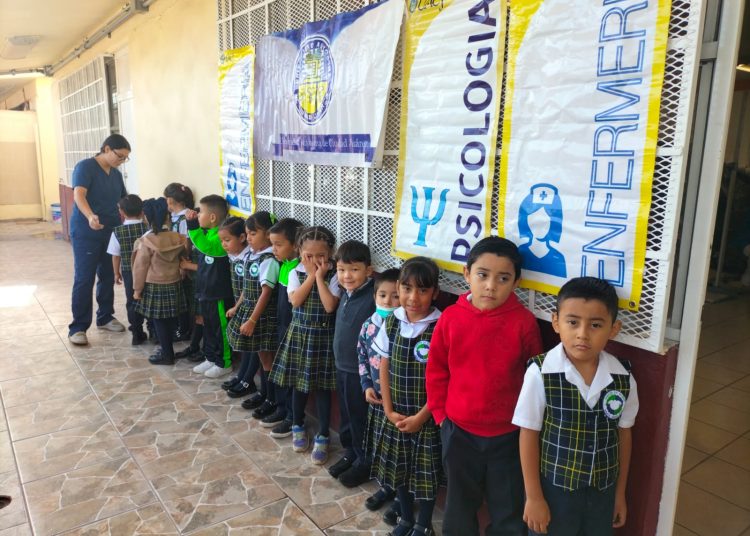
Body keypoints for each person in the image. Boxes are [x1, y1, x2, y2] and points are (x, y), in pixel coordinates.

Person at [426, 236, 544, 535]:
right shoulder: (451, 317)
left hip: (509, 435)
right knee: (459, 505)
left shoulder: (523, 322)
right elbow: (437, 368)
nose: (491, 285)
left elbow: (534, 378)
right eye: (483, 275)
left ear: (516, 282)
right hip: (458, 432)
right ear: (467, 274)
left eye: (503, 278)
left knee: (508, 507)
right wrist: (441, 416)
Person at [512, 277, 639, 535]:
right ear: (556, 322)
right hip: (554, 492)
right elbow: (528, 433)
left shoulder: (623, 377)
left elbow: (623, 434)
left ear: (613, 329)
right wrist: (533, 497)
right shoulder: (540, 372)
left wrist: (619, 494)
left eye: (595, 325)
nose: (582, 333)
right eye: (573, 322)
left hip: (602, 494)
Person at [371, 257, 443, 536]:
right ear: (399, 288)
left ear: (435, 293)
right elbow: (384, 366)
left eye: (423, 290)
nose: (413, 298)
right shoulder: (392, 322)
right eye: (407, 288)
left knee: (426, 474)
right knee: (398, 468)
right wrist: (389, 410)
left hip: (427, 418)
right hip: (397, 415)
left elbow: (445, 379)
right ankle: (405, 517)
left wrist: (422, 416)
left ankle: (423, 524)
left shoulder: (440, 327)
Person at [269, 226, 341, 465]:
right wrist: (311, 276)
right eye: (308, 255)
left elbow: (329, 306)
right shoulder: (294, 272)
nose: (315, 261)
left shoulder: (334, 276)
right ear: (300, 251)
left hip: (323, 337)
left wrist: (319, 277)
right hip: (299, 336)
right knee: (298, 384)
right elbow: (296, 301)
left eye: (321, 255)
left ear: (330, 254)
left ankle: (323, 435)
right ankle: (297, 424)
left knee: (322, 388)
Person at [68, 134, 130, 345]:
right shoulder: (85, 167)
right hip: (87, 231)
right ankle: (78, 327)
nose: (122, 161)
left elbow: (123, 200)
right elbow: (79, 195)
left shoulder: (116, 174)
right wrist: (90, 216)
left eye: (125, 158)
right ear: (107, 149)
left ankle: (105, 317)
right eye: (120, 156)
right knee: (84, 278)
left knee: (107, 275)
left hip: (110, 230)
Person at [328, 240, 376, 487]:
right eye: (341, 270)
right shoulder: (345, 293)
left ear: (369, 270)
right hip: (342, 365)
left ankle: (364, 461)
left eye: (354, 269)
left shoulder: (373, 297)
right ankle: (351, 452)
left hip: (361, 371)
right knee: (346, 413)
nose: (347, 276)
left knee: (359, 417)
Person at [226, 212, 281, 422]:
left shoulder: (269, 260)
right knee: (261, 356)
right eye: (247, 233)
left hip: (262, 316)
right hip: (249, 310)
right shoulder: (252, 255)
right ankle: (264, 393)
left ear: (268, 235)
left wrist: (252, 320)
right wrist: (237, 306)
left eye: (253, 233)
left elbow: (265, 293)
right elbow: (246, 288)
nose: (248, 238)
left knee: (268, 359)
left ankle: (271, 398)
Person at [359, 268, 401, 525]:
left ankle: (402, 496)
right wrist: (366, 385)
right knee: (382, 446)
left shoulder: (405, 328)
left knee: (400, 451)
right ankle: (387, 485)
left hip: (400, 403)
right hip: (376, 400)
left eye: (395, 296)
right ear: (374, 296)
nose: (388, 301)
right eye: (383, 295)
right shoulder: (368, 325)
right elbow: (362, 357)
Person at [260, 217, 305, 438]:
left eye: (278, 244)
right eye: (272, 244)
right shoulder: (284, 265)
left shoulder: (299, 269)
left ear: (295, 245)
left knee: (292, 376)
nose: (273, 249)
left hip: (294, 332)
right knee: (281, 373)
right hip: (281, 328)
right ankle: (282, 408)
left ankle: (292, 417)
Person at [131, 197, 187, 365]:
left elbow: (140, 267)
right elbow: (185, 256)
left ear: (146, 218)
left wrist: (137, 290)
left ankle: (167, 354)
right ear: (167, 217)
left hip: (154, 285)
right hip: (174, 282)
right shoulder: (178, 237)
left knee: (159, 321)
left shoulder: (146, 241)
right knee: (170, 319)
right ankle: (167, 350)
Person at [186, 195, 234, 378]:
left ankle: (224, 362)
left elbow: (205, 247)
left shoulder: (221, 239)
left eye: (201, 213)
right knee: (209, 327)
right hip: (205, 292)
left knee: (220, 328)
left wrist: (192, 225)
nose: (198, 215)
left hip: (218, 293)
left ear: (212, 217)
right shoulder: (209, 233)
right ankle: (211, 357)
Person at [217, 216, 263, 400]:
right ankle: (242, 376)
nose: (224, 245)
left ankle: (247, 380)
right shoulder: (235, 256)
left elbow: (249, 287)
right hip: (242, 306)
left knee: (253, 348)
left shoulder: (249, 257)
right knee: (244, 345)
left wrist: (238, 306)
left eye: (227, 240)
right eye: (222, 241)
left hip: (251, 307)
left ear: (242, 238)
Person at [108, 194, 148, 345]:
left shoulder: (117, 231)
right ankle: (154, 331)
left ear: (122, 212)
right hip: (149, 270)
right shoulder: (148, 228)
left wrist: (116, 272)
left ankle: (137, 332)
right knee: (149, 298)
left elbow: (115, 255)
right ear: (142, 211)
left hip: (128, 271)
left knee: (132, 300)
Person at [164, 182, 197, 344]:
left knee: (187, 298)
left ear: (170, 200)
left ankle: (186, 330)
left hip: (185, 262)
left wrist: (183, 265)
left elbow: (186, 244)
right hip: (179, 262)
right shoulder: (176, 217)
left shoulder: (185, 218)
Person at [517, 183, 567, 278]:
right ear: (526, 221)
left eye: (545, 221)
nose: (540, 226)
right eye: (535, 220)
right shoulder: (519, 251)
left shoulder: (558, 258)